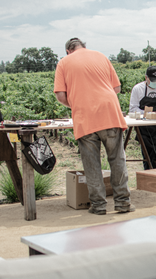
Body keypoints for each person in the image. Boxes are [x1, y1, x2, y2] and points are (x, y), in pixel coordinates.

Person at [54, 37, 134, 215]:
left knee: (92, 165)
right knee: (117, 160)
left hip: (85, 119)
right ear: (83, 46)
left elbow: (60, 96)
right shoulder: (100, 56)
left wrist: (78, 104)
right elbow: (116, 89)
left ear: (68, 51)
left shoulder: (64, 62)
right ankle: (123, 203)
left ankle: (98, 206)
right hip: (110, 114)